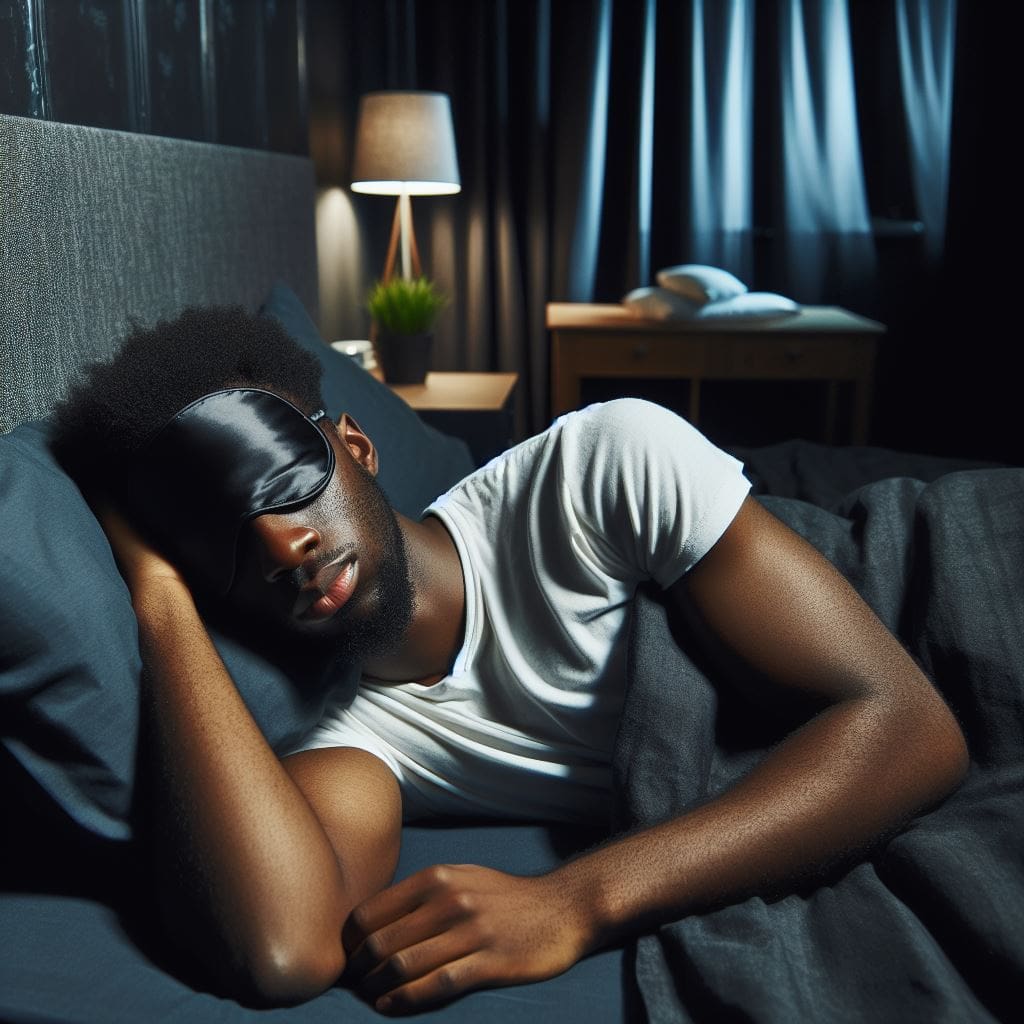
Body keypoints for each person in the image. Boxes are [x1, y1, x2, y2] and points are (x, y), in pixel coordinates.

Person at [51, 305, 968, 1014]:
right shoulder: (353, 738)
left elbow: (913, 724)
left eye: (288, 481)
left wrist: (575, 902)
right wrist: (160, 599)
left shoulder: (600, 465)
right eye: (225, 549)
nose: (285, 544)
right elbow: (281, 949)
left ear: (357, 446)